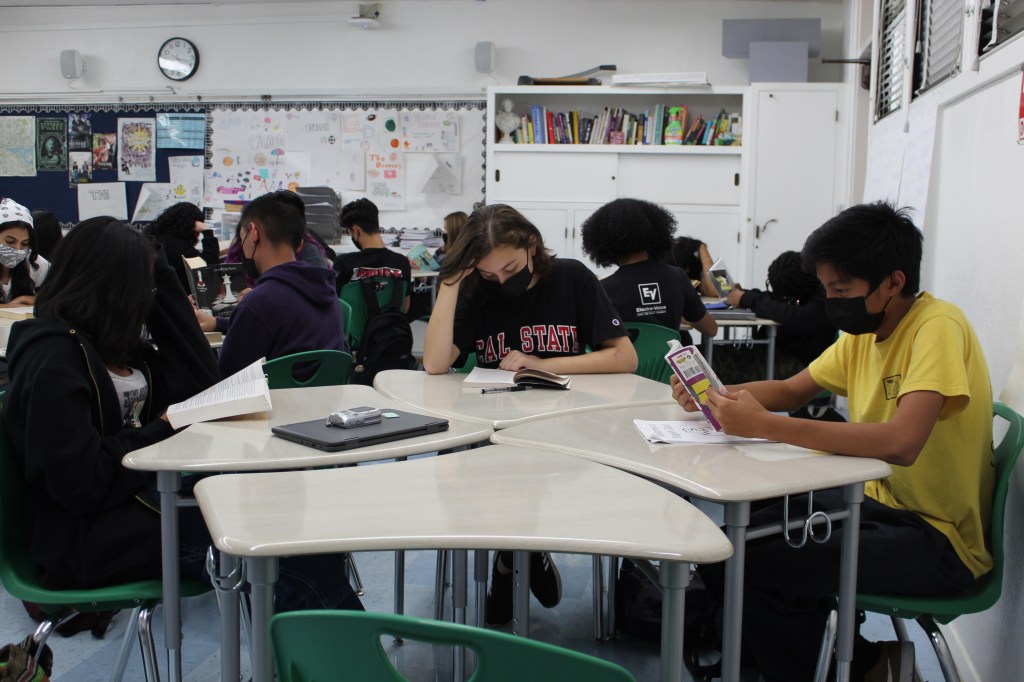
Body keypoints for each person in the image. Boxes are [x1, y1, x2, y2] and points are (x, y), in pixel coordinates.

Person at [673, 202, 992, 682]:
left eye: (841, 290)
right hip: (878, 504)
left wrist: (765, 425)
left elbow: (902, 442)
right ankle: (809, 660)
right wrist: (715, 396)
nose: (830, 301)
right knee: (733, 544)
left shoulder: (937, 327)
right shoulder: (864, 332)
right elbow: (790, 390)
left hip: (938, 539)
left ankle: (863, 667)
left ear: (894, 282)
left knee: (752, 566)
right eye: (825, 289)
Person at [1, 217, 363, 613]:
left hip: (138, 501)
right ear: (109, 287)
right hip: (87, 534)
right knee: (289, 557)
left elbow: (199, 382)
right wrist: (162, 427)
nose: (146, 299)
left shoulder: (113, 344)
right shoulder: (53, 360)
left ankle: (313, 647)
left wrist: (163, 276)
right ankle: (338, 647)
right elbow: (80, 482)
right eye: (140, 288)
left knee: (300, 529)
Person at [423, 203, 638, 627]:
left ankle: (508, 566)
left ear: (532, 246)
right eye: (489, 273)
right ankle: (524, 555)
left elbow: (623, 356)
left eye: (510, 268)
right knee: (496, 485)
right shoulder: (477, 290)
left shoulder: (571, 278)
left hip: (566, 430)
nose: (502, 281)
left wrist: (541, 364)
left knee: (516, 484)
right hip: (494, 433)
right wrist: (450, 283)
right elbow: (434, 363)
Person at [196, 190, 347, 378]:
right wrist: (220, 322)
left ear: (254, 233)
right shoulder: (326, 289)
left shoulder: (258, 302)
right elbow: (286, 325)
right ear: (300, 244)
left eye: (242, 239)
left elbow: (226, 378)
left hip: (272, 397)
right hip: (327, 395)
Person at [580, 198, 717, 345]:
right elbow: (711, 329)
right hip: (670, 359)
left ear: (603, 243)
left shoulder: (604, 289)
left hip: (627, 360)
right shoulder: (677, 277)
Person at [713, 250, 837, 384]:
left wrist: (746, 298)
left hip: (800, 367)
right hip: (771, 354)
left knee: (711, 362)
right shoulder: (804, 291)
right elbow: (774, 299)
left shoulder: (825, 298)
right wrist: (743, 294)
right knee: (704, 356)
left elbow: (798, 316)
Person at [333, 197, 411, 312]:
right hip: (392, 323)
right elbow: (404, 307)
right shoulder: (402, 262)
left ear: (356, 231)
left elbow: (335, 307)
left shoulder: (343, 263)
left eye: (350, 234)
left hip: (354, 324)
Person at [144, 202, 220, 295]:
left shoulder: (156, 239)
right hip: (179, 298)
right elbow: (209, 269)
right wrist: (207, 232)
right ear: (191, 225)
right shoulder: (177, 247)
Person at [0, 199, 50, 308]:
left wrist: (30, 299)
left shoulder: (35, 263)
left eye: (24, 243)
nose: (18, 249)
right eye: (10, 241)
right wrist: (11, 306)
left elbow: (59, 297)